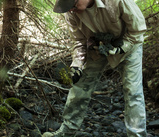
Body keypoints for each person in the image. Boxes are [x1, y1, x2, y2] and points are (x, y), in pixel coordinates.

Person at [42, 0, 147, 136]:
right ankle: (66, 132)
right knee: (79, 87)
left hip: (129, 45)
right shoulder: (71, 12)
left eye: (73, 6)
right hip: (96, 47)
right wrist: (77, 65)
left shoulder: (117, 1)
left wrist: (121, 48)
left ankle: (137, 135)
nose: (71, 10)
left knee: (133, 91)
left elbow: (138, 30)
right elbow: (78, 41)